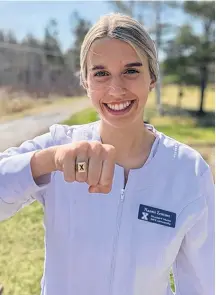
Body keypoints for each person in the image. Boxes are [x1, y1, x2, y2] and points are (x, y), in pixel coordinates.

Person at [0, 13, 214, 295]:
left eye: (131, 70)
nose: (116, 89)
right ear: (86, 82)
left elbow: (204, 283)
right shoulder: (59, 145)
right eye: (100, 73)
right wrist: (48, 161)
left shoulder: (188, 171)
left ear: (152, 78)